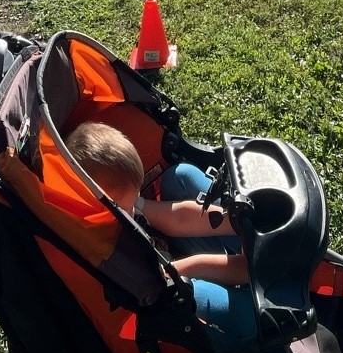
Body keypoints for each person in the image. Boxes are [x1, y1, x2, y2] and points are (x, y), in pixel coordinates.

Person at [65, 122, 247, 286]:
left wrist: (237, 219)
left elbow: (180, 218)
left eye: (134, 200)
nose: (132, 212)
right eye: (124, 209)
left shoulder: (122, 202)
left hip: (194, 263)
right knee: (199, 295)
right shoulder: (105, 249)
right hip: (169, 283)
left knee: (180, 176)